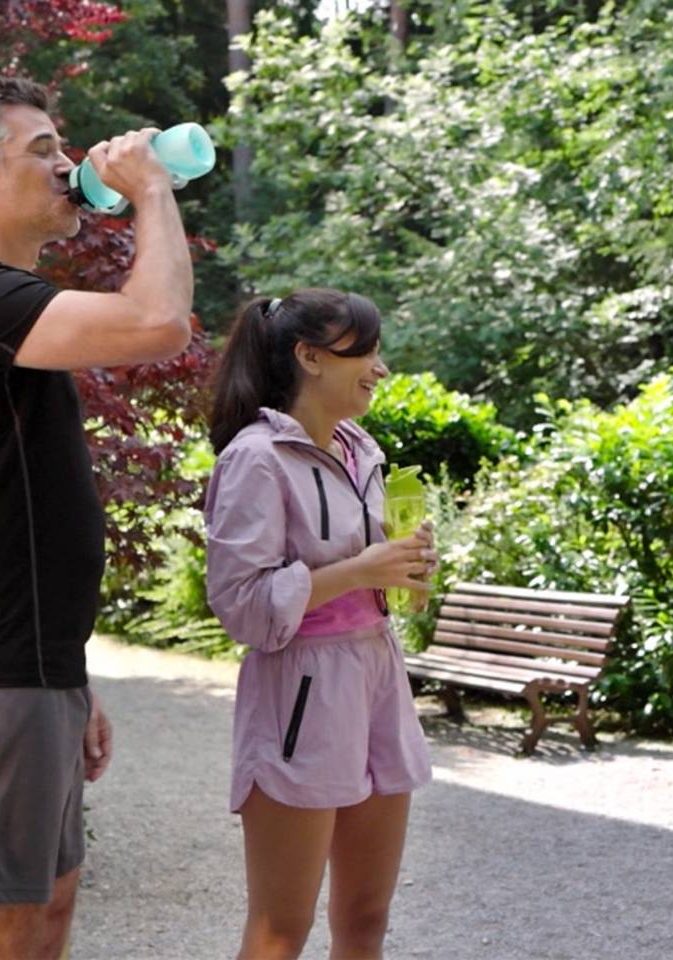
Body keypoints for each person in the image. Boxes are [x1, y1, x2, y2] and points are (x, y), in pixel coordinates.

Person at [0, 76, 194, 957]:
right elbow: (158, 321)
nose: (68, 166)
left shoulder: (5, 310)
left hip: (27, 666)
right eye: (43, 149)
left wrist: (69, 673)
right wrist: (153, 189)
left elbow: (27, 510)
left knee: (45, 910)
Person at [205, 289, 436, 960]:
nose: (380, 368)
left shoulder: (363, 450)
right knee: (281, 930)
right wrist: (360, 570)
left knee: (366, 919)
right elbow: (241, 603)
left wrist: (406, 567)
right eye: (364, 352)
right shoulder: (255, 458)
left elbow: (375, 576)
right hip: (301, 692)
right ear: (309, 357)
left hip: (378, 676)